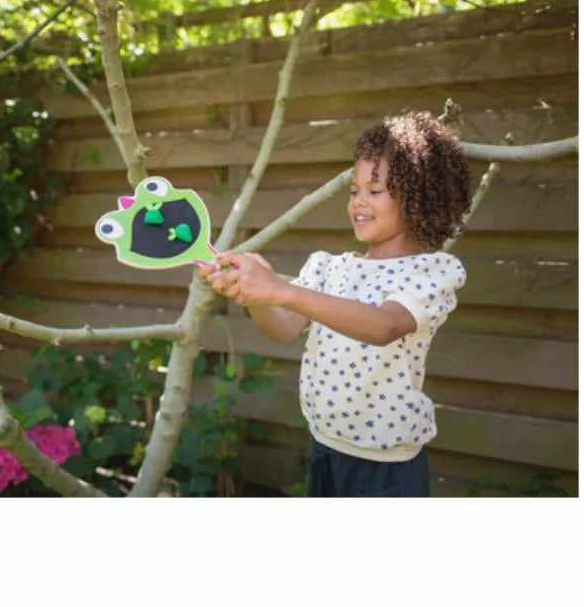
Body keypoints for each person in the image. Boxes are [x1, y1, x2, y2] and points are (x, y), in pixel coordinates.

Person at [197, 110, 473, 497]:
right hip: (325, 449)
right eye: (354, 190)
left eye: (375, 191)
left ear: (419, 197)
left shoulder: (432, 272)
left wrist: (280, 289)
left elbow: (384, 326)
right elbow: (283, 328)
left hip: (387, 468)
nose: (359, 202)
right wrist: (254, 294)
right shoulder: (329, 268)